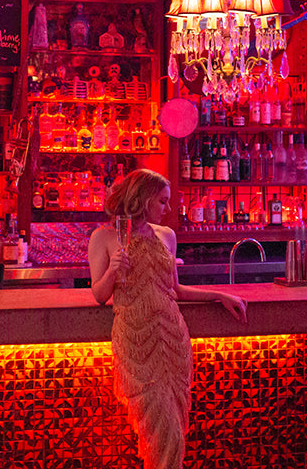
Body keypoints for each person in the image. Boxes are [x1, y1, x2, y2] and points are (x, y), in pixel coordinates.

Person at [88, 169, 246, 469]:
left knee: (176, 427)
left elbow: (175, 289)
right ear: (144, 200)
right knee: (162, 432)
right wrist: (112, 270)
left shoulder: (167, 236)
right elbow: (99, 294)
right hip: (135, 338)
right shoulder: (104, 237)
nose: (168, 209)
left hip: (172, 338)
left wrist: (220, 296)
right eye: (162, 201)